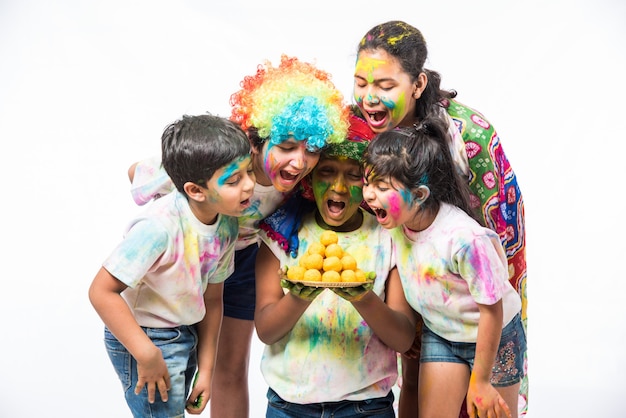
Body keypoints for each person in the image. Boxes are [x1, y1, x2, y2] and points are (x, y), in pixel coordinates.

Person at [127, 55, 349, 418]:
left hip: (243, 260)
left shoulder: (302, 180)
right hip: (190, 257)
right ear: (259, 137)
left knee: (229, 366)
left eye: (312, 150)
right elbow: (136, 173)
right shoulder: (221, 159)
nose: (299, 161)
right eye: (288, 146)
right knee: (176, 356)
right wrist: (181, 220)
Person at [352, 20, 528, 417]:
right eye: (361, 82)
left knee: (486, 404)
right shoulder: (355, 129)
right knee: (415, 385)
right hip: (422, 290)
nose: (369, 97)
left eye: (385, 85)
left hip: (471, 284)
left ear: (417, 84)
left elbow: (501, 238)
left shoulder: (469, 135)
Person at [88, 114, 256, 417]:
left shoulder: (228, 225)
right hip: (145, 335)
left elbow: (213, 300)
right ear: (195, 190)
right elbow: (101, 291)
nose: (249, 186)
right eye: (233, 180)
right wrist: (146, 353)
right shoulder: (159, 228)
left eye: (249, 172)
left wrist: (206, 370)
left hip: (185, 330)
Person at [255, 114, 417, 417]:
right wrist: (299, 296)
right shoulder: (282, 235)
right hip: (289, 406)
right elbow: (265, 330)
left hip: (366, 407)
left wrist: (361, 297)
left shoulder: (388, 238)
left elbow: (403, 338)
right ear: (310, 178)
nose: (339, 187)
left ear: (370, 182)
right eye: (327, 171)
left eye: (354, 175)